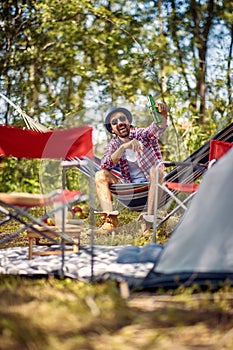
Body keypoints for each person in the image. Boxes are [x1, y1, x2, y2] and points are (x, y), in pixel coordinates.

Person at [95, 103, 168, 234]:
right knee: (100, 175)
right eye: (114, 122)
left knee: (156, 170)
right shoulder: (114, 144)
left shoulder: (142, 135)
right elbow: (105, 164)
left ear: (129, 122)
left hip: (154, 185)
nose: (120, 123)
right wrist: (123, 147)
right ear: (112, 129)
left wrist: (162, 116)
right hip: (130, 190)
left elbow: (156, 128)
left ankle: (149, 221)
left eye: (123, 119)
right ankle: (110, 222)